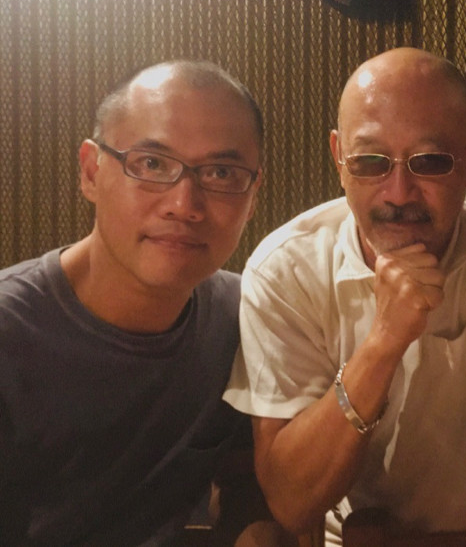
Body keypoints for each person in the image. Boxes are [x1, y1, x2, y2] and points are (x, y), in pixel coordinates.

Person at [224, 47, 466, 546]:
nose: (399, 193)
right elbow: (292, 500)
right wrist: (383, 342)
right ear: (339, 158)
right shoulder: (286, 267)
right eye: (370, 162)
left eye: (429, 162)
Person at [0, 61, 268, 545]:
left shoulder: (241, 317)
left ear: (252, 196)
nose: (184, 205)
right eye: (152, 164)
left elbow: (247, 485)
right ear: (91, 172)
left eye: (221, 173)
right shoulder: (12, 333)